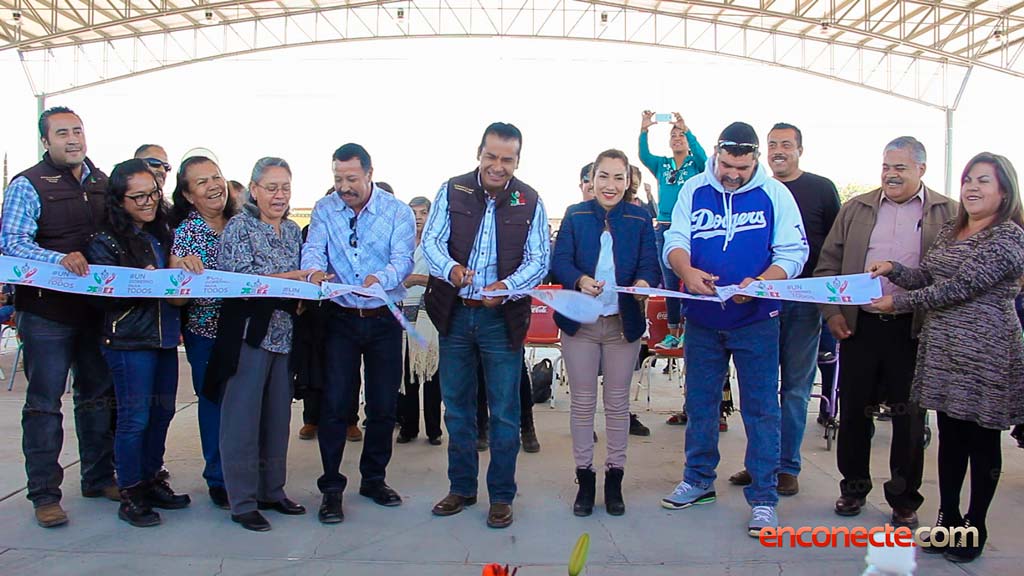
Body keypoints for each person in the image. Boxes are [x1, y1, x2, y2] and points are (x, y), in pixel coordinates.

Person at [867, 152, 1024, 562]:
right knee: (950, 437)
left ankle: (975, 524)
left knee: (981, 438)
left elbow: (958, 289)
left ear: (1004, 190)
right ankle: (948, 519)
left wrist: (896, 304)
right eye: (968, 179)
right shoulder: (953, 230)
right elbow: (929, 276)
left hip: (985, 351)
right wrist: (894, 270)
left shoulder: (1008, 237)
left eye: (984, 181)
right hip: (942, 349)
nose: (971, 187)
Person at [660, 122, 808, 537]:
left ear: (755, 159)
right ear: (715, 153)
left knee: (761, 410)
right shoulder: (694, 188)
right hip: (703, 319)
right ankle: (698, 480)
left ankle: (763, 498)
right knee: (701, 404)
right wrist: (686, 271)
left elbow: (793, 251)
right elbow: (675, 238)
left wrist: (762, 282)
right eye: (727, 164)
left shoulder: (776, 194)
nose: (733, 174)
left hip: (757, 321)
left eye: (742, 167)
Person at [815, 136, 955, 529]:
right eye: (887, 167)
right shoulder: (856, 208)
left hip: (914, 331)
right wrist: (832, 313)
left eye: (901, 168)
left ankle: (904, 499)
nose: (891, 175)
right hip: (859, 327)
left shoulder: (949, 213)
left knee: (909, 419)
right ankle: (853, 488)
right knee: (856, 413)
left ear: (921, 171)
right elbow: (828, 266)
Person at [423, 122, 550, 529]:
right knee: (457, 409)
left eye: (507, 159)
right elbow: (431, 241)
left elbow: (539, 258)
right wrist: (452, 270)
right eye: (491, 156)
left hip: (502, 318)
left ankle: (500, 496)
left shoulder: (529, 199)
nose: (498, 166)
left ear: (518, 160)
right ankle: (461, 488)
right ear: (479, 152)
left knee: (506, 413)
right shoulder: (452, 189)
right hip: (455, 314)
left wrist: (508, 287)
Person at [0, 106, 117, 528]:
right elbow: (12, 243)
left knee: (98, 395)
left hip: (95, 313)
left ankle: (99, 477)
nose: (73, 139)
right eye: (62, 133)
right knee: (45, 403)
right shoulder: (27, 185)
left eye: (78, 131)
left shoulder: (104, 183)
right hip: (46, 312)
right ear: (46, 141)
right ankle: (45, 494)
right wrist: (57, 260)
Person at [301, 143, 416, 524]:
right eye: (338, 179)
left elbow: (402, 261)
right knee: (335, 404)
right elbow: (314, 251)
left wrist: (378, 280)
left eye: (352, 179)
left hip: (384, 317)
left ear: (369, 173)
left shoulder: (397, 212)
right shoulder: (324, 208)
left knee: (383, 405)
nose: (344, 187)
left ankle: (374, 479)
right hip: (340, 318)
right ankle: (331, 488)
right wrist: (315, 272)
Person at [728, 123, 840, 496]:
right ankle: (759, 464)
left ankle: (787, 466)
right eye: (772, 144)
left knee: (795, 387)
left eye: (786, 145)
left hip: (802, 303)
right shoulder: (750, 188)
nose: (779, 151)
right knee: (758, 389)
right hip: (756, 303)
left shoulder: (821, 189)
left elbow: (835, 246)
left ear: (800, 150)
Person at [552, 149, 660, 517]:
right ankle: (585, 478)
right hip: (580, 326)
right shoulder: (575, 215)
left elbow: (650, 262)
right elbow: (560, 261)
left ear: (629, 181)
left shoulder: (641, 217)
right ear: (591, 179)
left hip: (621, 326)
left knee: (617, 405)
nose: (610, 185)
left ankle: (615, 478)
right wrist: (579, 280)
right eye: (603, 176)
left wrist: (644, 281)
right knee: (582, 404)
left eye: (618, 177)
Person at [84, 159, 190, 527]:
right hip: (128, 341)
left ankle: (150, 477)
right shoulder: (104, 242)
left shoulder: (162, 233)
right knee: (135, 418)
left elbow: (174, 289)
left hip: (163, 337)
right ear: (118, 199)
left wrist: (181, 273)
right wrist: (141, 282)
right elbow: (102, 297)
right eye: (138, 196)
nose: (148, 202)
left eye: (154, 193)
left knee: (162, 413)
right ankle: (129, 491)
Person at [209, 157, 311, 531]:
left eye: (285, 187)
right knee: (241, 420)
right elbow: (240, 281)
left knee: (277, 419)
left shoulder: (294, 232)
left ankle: (273, 490)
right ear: (254, 190)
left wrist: (304, 291)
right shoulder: (239, 227)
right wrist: (292, 279)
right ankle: (243, 501)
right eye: (271, 187)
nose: (279, 195)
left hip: (285, 337)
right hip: (249, 335)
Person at [169, 155, 237, 508]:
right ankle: (219, 478)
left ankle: (245, 472)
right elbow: (177, 302)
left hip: (246, 334)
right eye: (202, 182)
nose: (213, 186)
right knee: (214, 406)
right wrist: (180, 273)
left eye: (217, 177)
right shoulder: (186, 234)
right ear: (188, 194)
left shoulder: (244, 223)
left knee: (243, 407)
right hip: (207, 335)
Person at [638, 111, 707, 352]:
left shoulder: (695, 165)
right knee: (670, 282)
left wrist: (686, 128)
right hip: (665, 226)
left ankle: (691, 330)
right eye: (674, 135)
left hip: (690, 226)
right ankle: (673, 331)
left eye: (681, 135)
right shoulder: (662, 164)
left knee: (690, 279)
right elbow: (643, 155)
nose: (677, 138)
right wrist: (644, 129)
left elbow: (705, 158)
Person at [397, 196, 443, 445]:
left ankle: (434, 430)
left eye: (423, 212)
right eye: (413, 212)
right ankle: (408, 427)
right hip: (404, 312)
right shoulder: (400, 244)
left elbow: (444, 279)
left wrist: (416, 279)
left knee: (431, 372)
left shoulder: (437, 246)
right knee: (407, 372)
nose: (418, 217)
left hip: (430, 313)